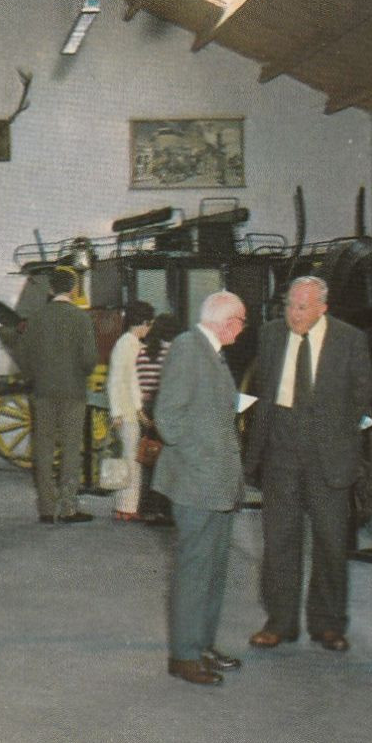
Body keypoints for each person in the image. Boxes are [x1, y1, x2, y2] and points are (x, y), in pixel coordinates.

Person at [244, 276, 372, 653]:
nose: (293, 315)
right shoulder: (269, 335)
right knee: (278, 541)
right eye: (288, 306)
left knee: (331, 543)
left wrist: (342, 441)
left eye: (302, 308)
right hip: (280, 452)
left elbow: (362, 398)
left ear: (322, 308)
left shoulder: (350, 340)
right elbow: (262, 393)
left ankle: (328, 624)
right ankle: (279, 622)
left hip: (328, 456)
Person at [150, 291, 248, 686]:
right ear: (227, 322)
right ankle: (184, 656)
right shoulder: (189, 349)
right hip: (198, 483)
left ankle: (202, 643)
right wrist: (205, 456)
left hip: (217, 483)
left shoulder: (211, 352)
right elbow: (167, 418)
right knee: (194, 571)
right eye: (241, 322)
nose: (242, 330)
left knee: (213, 571)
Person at [20, 268, 99, 523]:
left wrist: (37, 376)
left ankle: (45, 508)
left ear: (51, 290)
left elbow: (24, 359)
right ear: (73, 290)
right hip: (73, 392)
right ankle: (68, 508)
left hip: (42, 392)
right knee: (70, 450)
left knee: (42, 449)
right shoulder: (81, 319)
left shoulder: (36, 318)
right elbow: (89, 360)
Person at [106, 300, 154, 521]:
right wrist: (137, 410)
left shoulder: (125, 343)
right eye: (149, 324)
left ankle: (123, 505)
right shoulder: (130, 345)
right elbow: (124, 381)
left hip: (123, 411)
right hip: (128, 412)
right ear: (143, 323)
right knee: (131, 460)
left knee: (127, 458)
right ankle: (127, 508)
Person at [138, 312, 182, 526]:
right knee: (167, 461)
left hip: (146, 408)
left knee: (149, 459)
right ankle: (165, 509)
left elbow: (139, 383)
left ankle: (147, 507)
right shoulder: (173, 353)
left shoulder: (143, 352)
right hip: (165, 407)